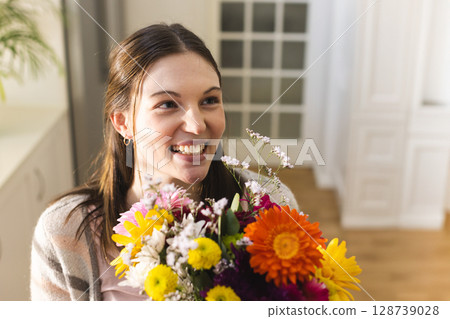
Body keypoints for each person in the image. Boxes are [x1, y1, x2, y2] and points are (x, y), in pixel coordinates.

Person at [30, 23, 298, 301]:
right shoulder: (65, 231)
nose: (196, 125)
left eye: (209, 100)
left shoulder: (272, 204)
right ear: (123, 122)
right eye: (167, 104)